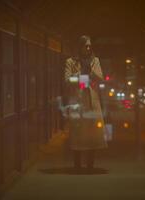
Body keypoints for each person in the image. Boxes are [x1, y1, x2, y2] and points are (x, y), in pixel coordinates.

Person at [62, 35, 107, 170]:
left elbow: (100, 78)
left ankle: (90, 164)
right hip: (78, 101)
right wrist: (81, 76)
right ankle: (77, 164)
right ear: (79, 47)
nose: (88, 48)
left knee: (92, 133)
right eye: (85, 45)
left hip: (92, 102)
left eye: (89, 46)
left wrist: (91, 72)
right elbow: (67, 81)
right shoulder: (70, 62)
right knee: (77, 132)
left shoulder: (95, 61)